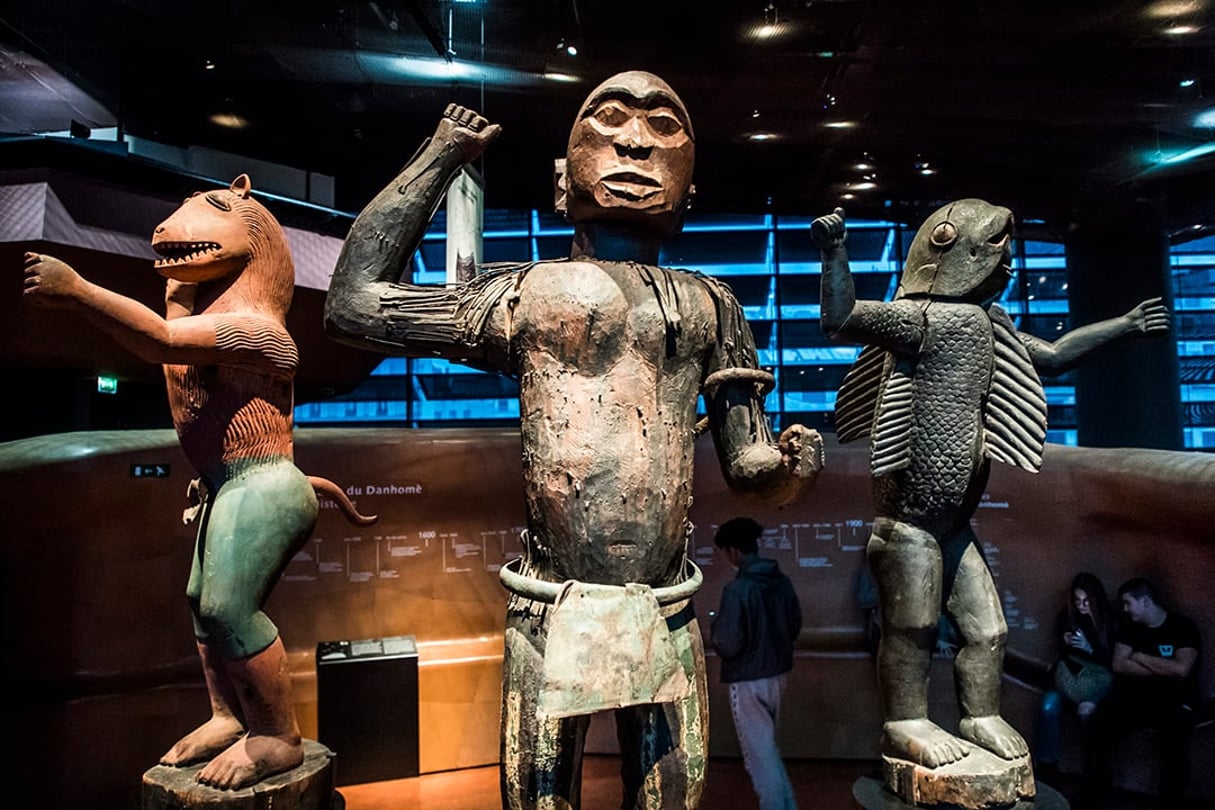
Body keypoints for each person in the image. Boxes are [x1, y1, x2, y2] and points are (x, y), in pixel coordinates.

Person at [325, 74, 823, 809]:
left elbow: (746, 463)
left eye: (663, 127)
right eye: (610, 118)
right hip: (549, 605)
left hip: (664, 605)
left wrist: (786, 470)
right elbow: (356, 305)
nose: (633, 141)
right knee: (538, 795)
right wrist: (443, 154)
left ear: (688, 190)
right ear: (563, 183)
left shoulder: (712, 304)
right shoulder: (525, 293)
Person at [22, 175, 372, 789]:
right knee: (200, 604)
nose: (167, 230)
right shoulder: (216, 315)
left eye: (200, 214)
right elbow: (177, 352)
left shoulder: (258, 328)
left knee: (227, 605)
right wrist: (180, 287)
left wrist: (77, 290)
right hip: (227, 482)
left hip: (265, 482)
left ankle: (276, 735)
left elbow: (161, 343)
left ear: (252, 230)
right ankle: (227, 714)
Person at [810, 202, 1169, 801]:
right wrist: (835, 252)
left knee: (989, 631)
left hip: (952, 526)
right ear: (951, 254)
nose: (1001, 259)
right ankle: (905, 722)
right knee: (914, 627)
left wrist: (1124, 327)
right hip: (910, 527)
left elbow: (1054, 357)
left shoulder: (988, 325)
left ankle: (979, 715)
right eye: (989, 249)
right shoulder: (919, 320)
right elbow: (841, 317)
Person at [1081, 577, 1201, 809]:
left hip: (1174, 699)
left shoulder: (1182, 627)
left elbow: (1181, 669)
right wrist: (1163, 667)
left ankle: (1172, 801)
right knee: (1101, 722)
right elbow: (1119, 664)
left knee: (1175, 735)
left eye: (1128, 603)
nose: (1125, 609)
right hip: (1135, 698)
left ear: (1145, 601)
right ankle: (1093, 793)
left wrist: (1141, 657)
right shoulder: (1130, 628)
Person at [711, 517, 801, 810]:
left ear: (734, 551)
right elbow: (794, 624)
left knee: (759, 758)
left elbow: (727, 642)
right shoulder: (782, 582)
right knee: (769, 750)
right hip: (778, 673)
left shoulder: (737, 590)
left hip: (747, 679)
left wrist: (715, 630)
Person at [1035, 572, 1114, 781]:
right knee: (1048, 707)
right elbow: (1062, 654)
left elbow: (1114, 661)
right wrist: (1068, 642)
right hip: (1069, 677)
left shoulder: (1110, 620)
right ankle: (1047, 767)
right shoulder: (1067, 616)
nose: (1081, 606)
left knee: (1089, 714)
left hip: (1098, 680)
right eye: (1078, 600)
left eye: (1087, 601)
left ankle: (1096, 771)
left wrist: (1090, 648)